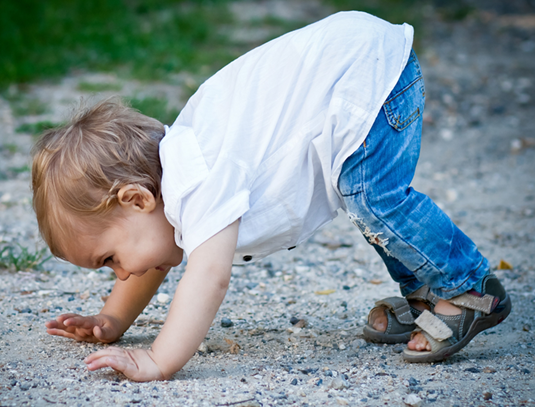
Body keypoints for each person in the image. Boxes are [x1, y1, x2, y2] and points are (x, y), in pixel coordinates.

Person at [32, 11, 510, 382]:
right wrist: (111, 319)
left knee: (372, 197)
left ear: (137, 199)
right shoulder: (170, 185)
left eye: (110, 258)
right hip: (357, 65)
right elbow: (152, 259)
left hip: (367, 75)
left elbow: (208, 276)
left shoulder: (196, 179)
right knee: (366, 203)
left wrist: (158, 359)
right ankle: (425, 292)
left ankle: (466, 286)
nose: (121, 273)